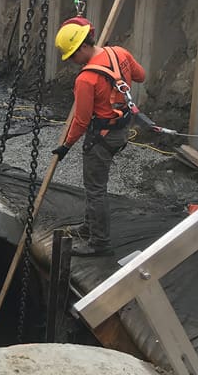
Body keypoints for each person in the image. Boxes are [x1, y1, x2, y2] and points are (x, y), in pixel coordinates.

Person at [51, 16, 146, 257]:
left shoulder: (86, 79)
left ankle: (99, 242)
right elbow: (140, 76)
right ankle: (89, 227)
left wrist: (66, 145)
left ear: (83, 46)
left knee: (95, 190)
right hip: (120, 130)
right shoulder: (119, 53)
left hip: (101, 137)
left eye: (72, 55)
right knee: (95, 187)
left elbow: (81, 121)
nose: (72, 61)